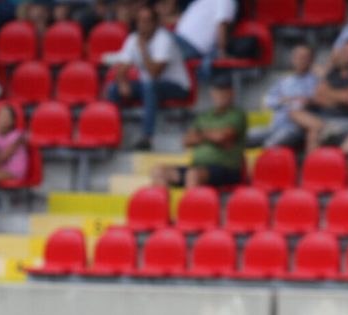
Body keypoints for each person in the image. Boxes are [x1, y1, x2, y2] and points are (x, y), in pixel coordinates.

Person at [104, 5, 190, 151]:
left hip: (177, 86)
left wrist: (144, 49)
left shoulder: (164, 39)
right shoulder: (133, 39)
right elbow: (121, 69)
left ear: (155, 23)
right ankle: (111, 135)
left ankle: (146, 137)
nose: (143, 25)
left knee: (149, 85)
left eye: (147, 21)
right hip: (148, 85)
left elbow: (154, 73)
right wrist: (123, 82)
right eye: (140, 21)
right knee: (114, 88)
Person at [152, 75, 246, 189]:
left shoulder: (237, 115)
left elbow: (221, 137)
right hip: (199, 167)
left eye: (225, 91)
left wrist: (201, 135)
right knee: (159, 171)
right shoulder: (204, 116)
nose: (221, 95)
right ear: (212, 93)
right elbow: (187, 141)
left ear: (232, 93)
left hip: (225, 169)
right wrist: (212, 136)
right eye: (218, 91)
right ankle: (163, 201)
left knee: (193, 175)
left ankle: (193, 201)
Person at [289, 40, 348, 153]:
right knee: (294, 112)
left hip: (345, 120)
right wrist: (340, 97)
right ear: (341, 54)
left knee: (313, 133)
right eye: (346, 52)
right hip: (323, 117)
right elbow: (318, 96)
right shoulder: (333, 73)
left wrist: (328, 93)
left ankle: (318, 131)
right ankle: (321, 127)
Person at [247, 43, 318, 149]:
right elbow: (268, 102)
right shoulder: (284, 81)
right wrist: (282, 101)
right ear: (292, 59)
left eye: (304, 57)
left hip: (294, 129)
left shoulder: (316, 82)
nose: (300, 60)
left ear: (311, 60)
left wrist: (299, 101)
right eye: (297, 57)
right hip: (275, 127)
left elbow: (311, 103)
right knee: (243, 138)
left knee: (270, 144)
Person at [173, 0, 236, 65]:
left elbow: (222, 24)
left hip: (191, 45)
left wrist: (221, 51)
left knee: (165, 41)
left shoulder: (225, 1)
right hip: (180, 41)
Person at [0, 104, 28, 198]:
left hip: (15, 170)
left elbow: (1, 159)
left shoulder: (18, 137)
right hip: (2, 168)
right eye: (0, 116)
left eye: (6, 116)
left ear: (13, 121)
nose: (2, 119)